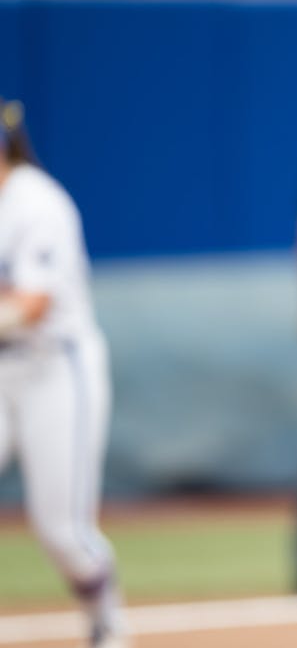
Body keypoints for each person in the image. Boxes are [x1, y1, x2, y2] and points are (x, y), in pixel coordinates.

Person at [0, 98, 127, 648]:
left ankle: (106, 620)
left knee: (62, 532)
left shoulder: (38, 201)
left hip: (56, 369)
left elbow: (30, 304)